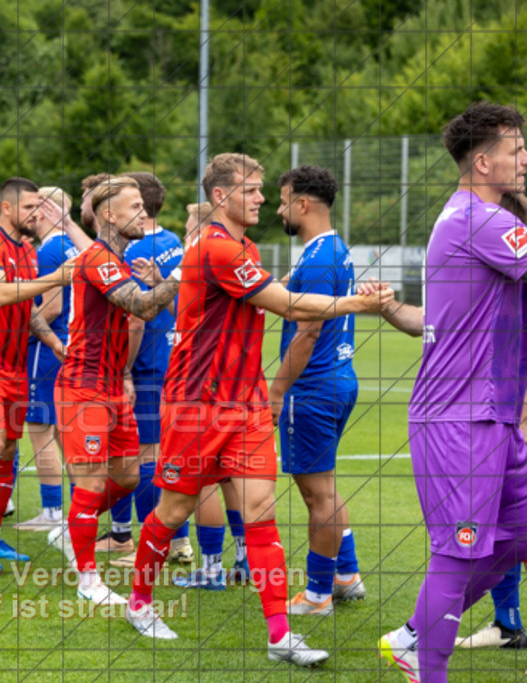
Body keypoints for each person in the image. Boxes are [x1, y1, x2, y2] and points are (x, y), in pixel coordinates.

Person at [123, 153, 389, 668]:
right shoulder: (219, 248)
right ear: (221, 196)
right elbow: (289, 305)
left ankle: (280, 635)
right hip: (197, 404)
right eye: (251, 189)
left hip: (243, 405)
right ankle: (139, 603)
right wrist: (360, 303)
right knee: (172, 510)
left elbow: (287, 300)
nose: (263, 198)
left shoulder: (239, 246)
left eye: (263, 189)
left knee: (262, 517)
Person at [375, 102, 527, 681]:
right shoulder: (480, 220)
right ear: (483, 161)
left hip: (491, 418)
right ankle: (425, 662)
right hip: (459, 422)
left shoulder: (475, 218)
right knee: (458, 550)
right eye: (516, 150)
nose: (525, 158)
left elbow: (434, 321)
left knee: (515, 533)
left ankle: (416, 633)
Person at [46, 175, 180, 605]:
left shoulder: (117, 260)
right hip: (83, 387)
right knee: (90, 484)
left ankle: (74, 527)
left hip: (110, 385)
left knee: (125, 475)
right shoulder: (99, 258)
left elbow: (143, 311)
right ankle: (89, 582)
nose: (145, 213)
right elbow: (140, 306)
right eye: (135, 206)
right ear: (108, 215)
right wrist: (184, 272)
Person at [265, 165, 366, 615]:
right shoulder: (328, 250)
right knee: (323, 484)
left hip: (314, 387)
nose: (279, 210)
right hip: (337, 380)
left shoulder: (321, 256)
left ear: (302, 204)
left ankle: (319, 595)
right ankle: (346, 575)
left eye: (283, 201)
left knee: (315, 494)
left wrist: (276, 390)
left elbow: (307, 332)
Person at [0, 177, 70, 572]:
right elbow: (0, 293)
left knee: (7, 451)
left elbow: (28, 308)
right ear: (7, 208)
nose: (35, 214)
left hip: (13, 362)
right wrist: (59, 277)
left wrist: (55, 343)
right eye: (28, 208)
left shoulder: (25, 250)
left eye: (39, 207)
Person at [105, 171, 191, 570]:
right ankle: (180, 542)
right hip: (176, 359)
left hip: (148, 365)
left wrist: (122, 370)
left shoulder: (131, 251)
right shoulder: (173, 240)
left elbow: (134, 321)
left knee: (142, 455)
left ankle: (146, 541)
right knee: (171, 454)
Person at [176, 201, 251, 590]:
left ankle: (209, 569)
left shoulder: (203, 253)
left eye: (191, 224)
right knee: (230, 477)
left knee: (203, 479)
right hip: (236, 383)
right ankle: (243, 558)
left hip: (201, 383)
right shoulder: (244, 252)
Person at [14, 187, 89, 531]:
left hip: (48, 348)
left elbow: (53, 306)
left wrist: (17, 331)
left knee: (41, 430)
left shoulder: (51, 249)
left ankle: (53, 512)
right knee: (64, 433)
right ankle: (78, 509)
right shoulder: (70, 245)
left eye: (32, 207)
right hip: (70, 345)